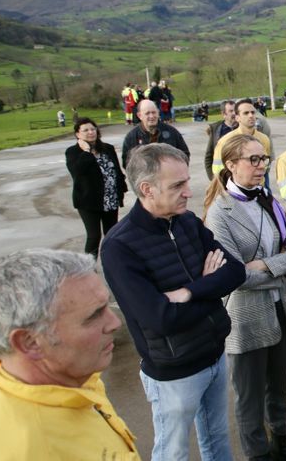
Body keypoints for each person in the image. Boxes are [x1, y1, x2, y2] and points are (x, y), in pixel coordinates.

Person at [100, 143, 245, 461]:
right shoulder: (119, 247)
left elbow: (235, 272)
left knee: (218, 440)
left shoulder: (188, 223)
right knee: (173, 451)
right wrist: (208, 286)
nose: (188, 192)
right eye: (177, 185)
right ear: (146, 189)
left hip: (214, 356)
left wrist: (189, 292)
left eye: (186, 181)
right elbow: (160, 318)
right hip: (174, 373)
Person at [0, 248, 139, 460]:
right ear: (30, 342)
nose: (115, 323)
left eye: (106, 306)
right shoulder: (29, 450)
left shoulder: (76, 377)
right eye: (94, 315)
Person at [203, 134, 286, 461]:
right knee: (248, 398)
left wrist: (267, 264)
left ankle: (282, 442)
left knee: (278, 389)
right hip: (245, 321)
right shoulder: (219, 212)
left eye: (264, 159)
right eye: (254, 159)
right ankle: (258, 454)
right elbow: (235, 276)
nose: (262, 166)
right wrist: (276, 266)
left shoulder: (268, 200)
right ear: (231, 164)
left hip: (281, 311)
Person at [65, 117, 127, 257]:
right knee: (94, 236)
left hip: (110, 198)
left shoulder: (108, 148)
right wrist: (86, 152)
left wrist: (121, 188)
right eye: (85, 130)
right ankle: (88, 268)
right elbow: (77, 172)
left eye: (93, 129)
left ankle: (112, 261)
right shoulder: (73, 152)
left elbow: (116, 170)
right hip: (88, 201)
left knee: (112, 234)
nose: (90, 132)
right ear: (77, 134)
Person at [212, 99, 272, 180]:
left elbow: (266, 162)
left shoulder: (264, 139)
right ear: (237, 118)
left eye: (253, 112)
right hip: (234, 188)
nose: (251, 115)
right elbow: (217, 169)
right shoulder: (226, 141)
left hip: (259, 187)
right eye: (246, 113)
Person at [121, 99, 189, 168]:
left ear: (158, 112)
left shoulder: (172, 132)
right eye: (147, 113)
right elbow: (127, 164)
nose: (151, 116)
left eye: (154, 112)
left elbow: (185, 155)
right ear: (139, 115)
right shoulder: (131, 137)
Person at [204, 99, 238, 181]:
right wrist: (212, 179)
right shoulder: (216, 130)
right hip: (222, 177)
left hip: (240, 176)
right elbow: (208, 157)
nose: (234, 113)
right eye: (231, 111)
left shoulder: (242, 128)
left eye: (235, 110)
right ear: (223, 114)